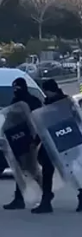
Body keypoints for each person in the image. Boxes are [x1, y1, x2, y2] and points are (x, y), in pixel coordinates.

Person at [42, 79, 82, 212]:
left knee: (50, 170)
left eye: (46, 91)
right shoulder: (67, 101)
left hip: (57, 139)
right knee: (65, 170)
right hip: (66, 138)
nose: (46, 94)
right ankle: (80, 194)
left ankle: (46, 200)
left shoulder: (54, 103)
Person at [3, 77, 44, 211]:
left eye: (18, 88)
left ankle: (46, 194)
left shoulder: (32, 101)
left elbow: (38, 120)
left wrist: (36, 139)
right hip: (16, 139)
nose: (16, 91)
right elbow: (9, 119)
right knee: (21, 170)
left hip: (29, 139)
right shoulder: (16, 101)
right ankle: (19, 198)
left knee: (30, 169)